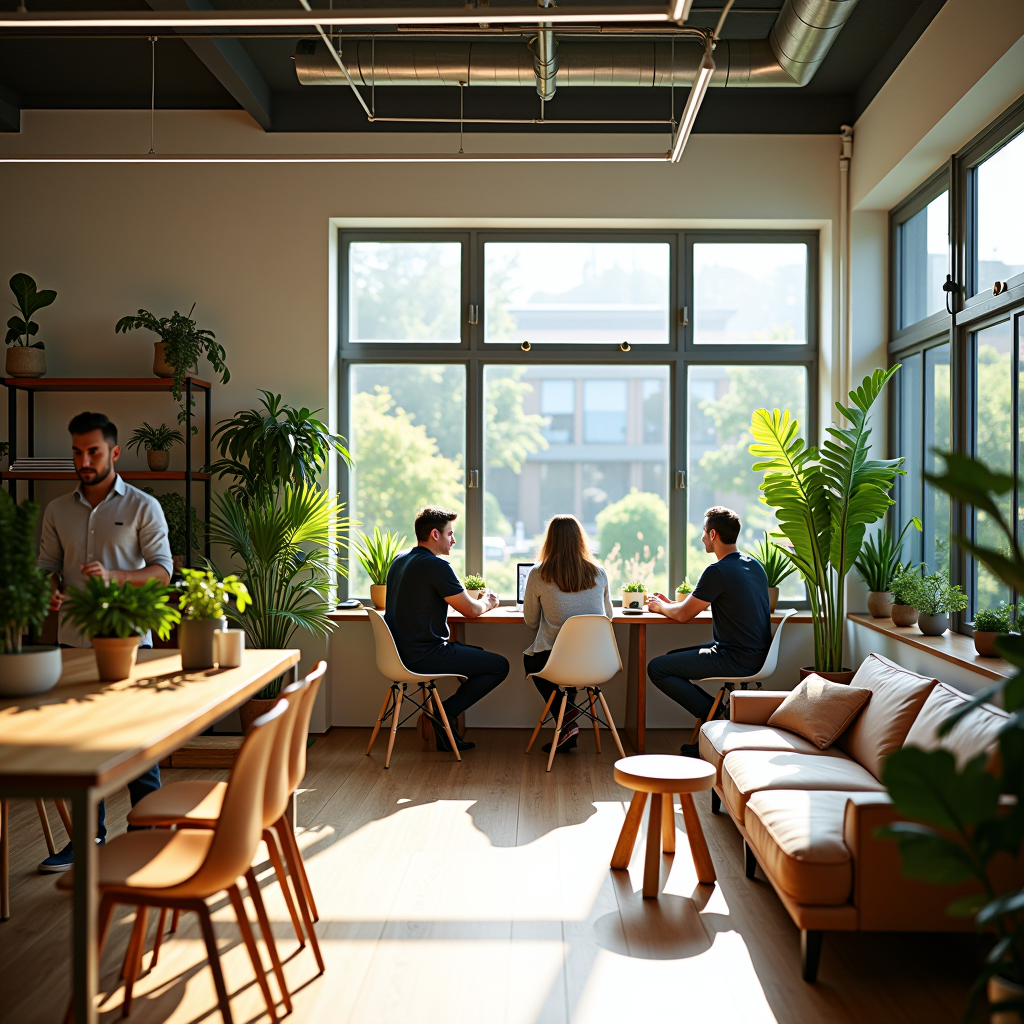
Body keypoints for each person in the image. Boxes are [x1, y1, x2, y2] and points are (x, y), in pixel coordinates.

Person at [35, 411, 174, 872]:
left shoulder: (142, 507)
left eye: (93, 451)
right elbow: (46, 566)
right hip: (74, 642)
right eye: (77, 452)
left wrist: (114, 577)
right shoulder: (57, 510)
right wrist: (49, 590)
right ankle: (86, 839)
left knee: (138, 742)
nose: (84, 461)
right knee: (79, 746)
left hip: (130, 643)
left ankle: (145, 834)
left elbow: (162, 571)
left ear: (114, 452)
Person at [646, 506, 771, 757]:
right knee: (671, 658)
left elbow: (684, 615)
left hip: (735, 658)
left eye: (704, 531)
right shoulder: (753, 565)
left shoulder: (718, 570)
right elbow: (692, 606)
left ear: (713, 534)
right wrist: (669, 605)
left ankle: (715, 718)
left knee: (658, 668)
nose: (702, 537)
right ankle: (715, 718)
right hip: (757, 655)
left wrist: (659, 607)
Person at [385, 506, 510, 751]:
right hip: (425, 656)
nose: (453, 540)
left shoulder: (399, 561)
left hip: (398, 656)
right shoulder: (435, 566)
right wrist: (490, 601)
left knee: (476, 653)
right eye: (450, 533)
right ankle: (443, 715)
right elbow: (470, 610)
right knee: (499, 666)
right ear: (435, 534)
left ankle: (443, 722)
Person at [522, 514, 613, 754]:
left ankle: (568, 720)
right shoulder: (599, 572)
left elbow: (530, 621)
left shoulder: (538, 574)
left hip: (557, 662)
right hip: (596, 662)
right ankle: (568, 721)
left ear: (549, 541)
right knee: (564, 662)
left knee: (532, 660)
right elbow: (608, 618)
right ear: (580, 540)